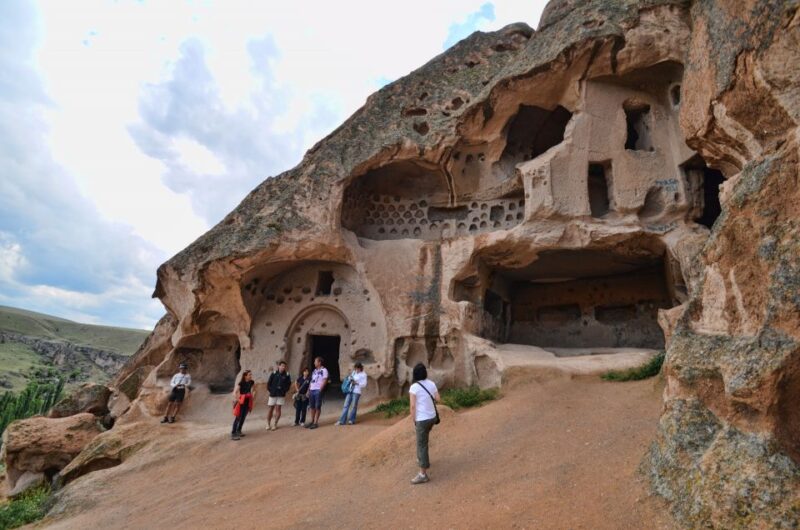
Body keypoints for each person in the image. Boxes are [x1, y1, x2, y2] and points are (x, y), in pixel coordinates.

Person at [408, 363, 440, 485]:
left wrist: (413, 420)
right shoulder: (431, 384)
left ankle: (423, 474)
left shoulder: (414, 387)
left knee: (421, 444)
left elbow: (412, 406)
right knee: (423, 440)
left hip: (422, 419)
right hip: (432, 418)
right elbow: (438, 399)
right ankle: (422, 459)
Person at [266, 360, 292, 430]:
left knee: (278, 409)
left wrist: (285, 390)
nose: (283, 367)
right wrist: (271, 390)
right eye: (282, 366)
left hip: (281, 394)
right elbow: (269, 383)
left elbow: (289, 384)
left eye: (284, 366)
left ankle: (275, 424)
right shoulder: (274, 373)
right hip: (273, 394)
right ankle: (268, 423)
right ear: (279, 366)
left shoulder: (287, 374)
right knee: (270, 409)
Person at [231, 370, 255, 440]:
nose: (251, 376)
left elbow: (253, 390)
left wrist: (253, 395)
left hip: (247, 402)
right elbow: (234, 393)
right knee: (238, 417)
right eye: (249, 375)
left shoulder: (251, 382)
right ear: (245, 376)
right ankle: (233, 433)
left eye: (251, 375)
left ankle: (239, 431)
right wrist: (239, 400)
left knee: (243, 417)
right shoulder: (241, 383)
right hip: (241, 403)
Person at [305, 356, 328, 429]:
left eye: (315, 361)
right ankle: (312, 421)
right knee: (312, 407)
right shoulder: (314, 371)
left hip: (318, 390)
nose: (314, 363)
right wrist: (308, 390)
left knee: (317, 406)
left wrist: (320, 389)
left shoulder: (324, 370)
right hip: (312, 390)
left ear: (319, 362)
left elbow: (325, 380)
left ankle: (315, 422)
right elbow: (311, 381)